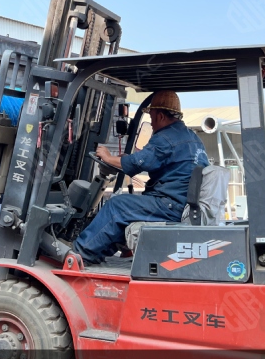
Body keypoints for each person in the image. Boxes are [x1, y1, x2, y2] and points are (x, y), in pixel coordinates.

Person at [72, 91, 209, 264]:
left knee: (117, 206)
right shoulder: (192, 137)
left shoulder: (165, 137)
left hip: (170, 205)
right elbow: (149, 159)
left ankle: (79, 254)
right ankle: (98, 253)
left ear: (160, 116)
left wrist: (108, 157)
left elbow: (137, 164)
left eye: (151, 118)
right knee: (128, 209)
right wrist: (124, 159)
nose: (151, 123)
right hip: (184, 204)